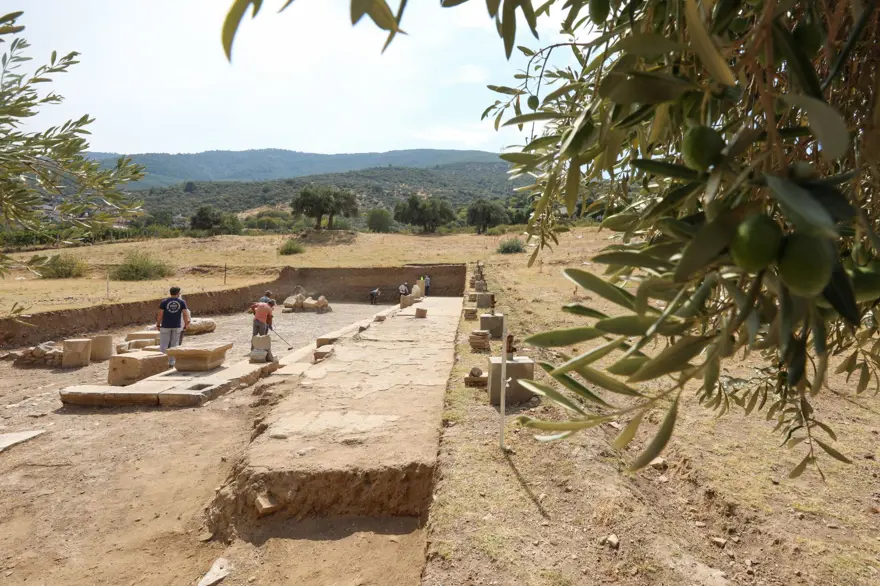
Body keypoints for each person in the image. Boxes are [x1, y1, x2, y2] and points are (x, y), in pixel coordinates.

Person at [157, 286, 190, 365]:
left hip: (165, 325)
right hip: (176, 326)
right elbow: (185, 314)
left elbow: (160, 314)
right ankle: (172, 362)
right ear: (178, 293)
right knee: (174, 344)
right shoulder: (182, 302)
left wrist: (158, 324)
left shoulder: (164, 302)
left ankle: (162, 362)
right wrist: (186, 324)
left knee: (163, 344)